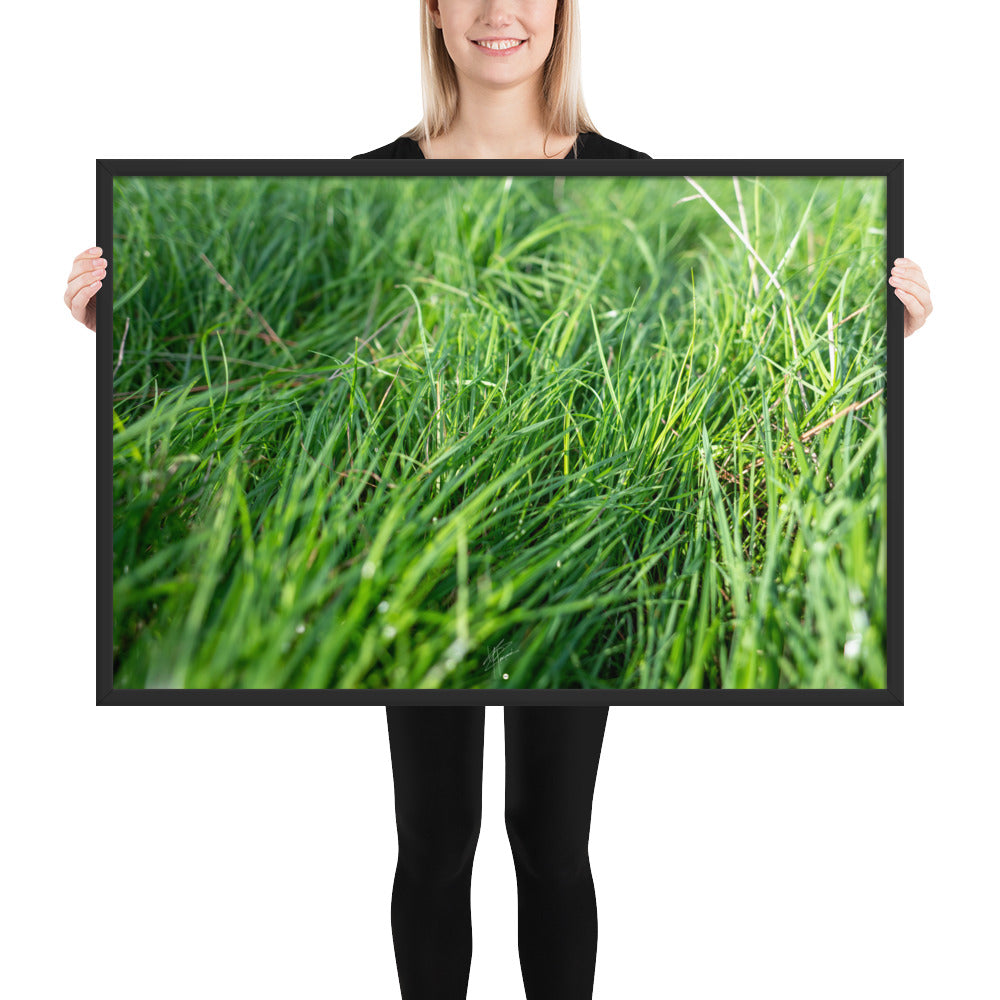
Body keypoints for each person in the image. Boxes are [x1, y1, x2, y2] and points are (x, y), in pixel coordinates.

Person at [65, 2, 933, 998]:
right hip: (415, 544)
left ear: (562, 16)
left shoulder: (628, 177)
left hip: (581, 542)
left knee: (552, 842)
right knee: (435, 844)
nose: (496, 12)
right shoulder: (369, 182)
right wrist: (116, 331)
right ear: (430, 14)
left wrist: (881, 346)